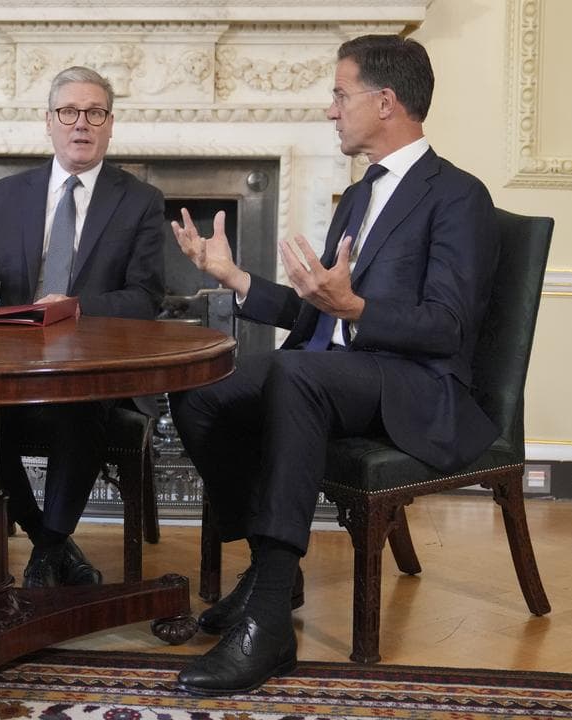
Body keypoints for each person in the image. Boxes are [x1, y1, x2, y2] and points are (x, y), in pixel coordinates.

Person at [168, 35, 500, 694]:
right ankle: (276, 572)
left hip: (410, 381)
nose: (331, 110)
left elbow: (448, 326)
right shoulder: (358, 196)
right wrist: (234, 276)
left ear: (385, 101)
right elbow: (319, 311)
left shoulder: (458, 196)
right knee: (199, 380)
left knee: (297, 375)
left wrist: (354, 306)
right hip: (332, 370)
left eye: (340, 95)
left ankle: (267, 624)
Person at [0, 66, 165, 588]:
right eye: (68, 112)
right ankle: (51, 540)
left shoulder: (139, 200)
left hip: (97, 370)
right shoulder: (6, 195)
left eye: (94, 113)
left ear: (110, 125)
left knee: (78, 407)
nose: (80, 124)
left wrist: (75, 307)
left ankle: (46, 551)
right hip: (13, 366)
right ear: (48, 122)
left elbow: (145, 299)